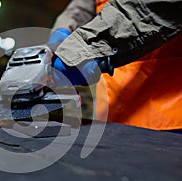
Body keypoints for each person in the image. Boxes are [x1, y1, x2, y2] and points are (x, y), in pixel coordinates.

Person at [49, 0, 182, 131]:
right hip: (111, 110)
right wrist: (67, 26)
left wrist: (86, 48)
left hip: (170, 116)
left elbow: (158, 6)